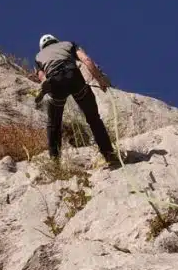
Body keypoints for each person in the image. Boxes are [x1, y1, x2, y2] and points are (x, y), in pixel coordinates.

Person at [34, 34, 121, 169]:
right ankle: (109, 154)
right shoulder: (68, 44)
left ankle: (55, 162)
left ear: (42, 46)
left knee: (54, 125)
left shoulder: (38, 56)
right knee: (93, 119)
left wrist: (46, 85)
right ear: (55, 40)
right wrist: (100, 79)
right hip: (74, 77)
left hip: (54, 81)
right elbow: (86, 60)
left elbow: (41, 76)